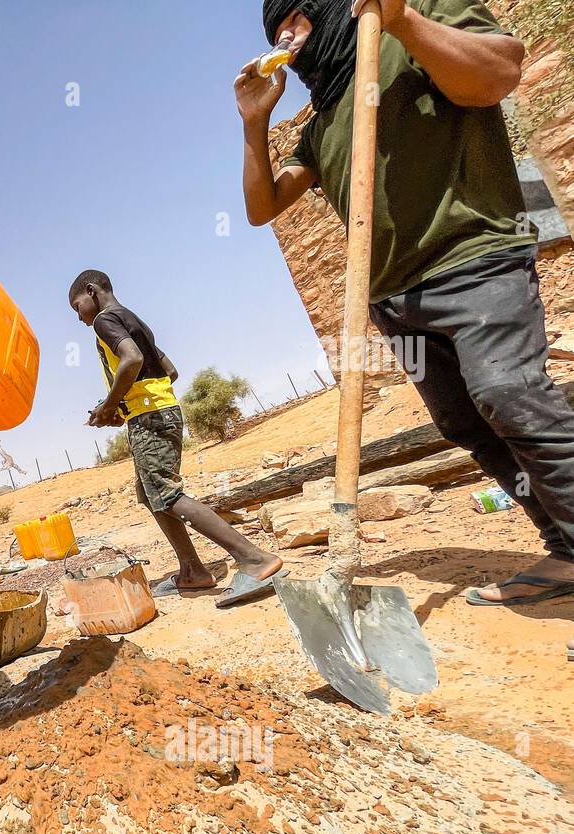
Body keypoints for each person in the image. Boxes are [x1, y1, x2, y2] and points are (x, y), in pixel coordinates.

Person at [237, 0, 574, 625]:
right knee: (467, 424)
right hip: (396, 298)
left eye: (294, 17)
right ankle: (564, 550)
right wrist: (255, 123)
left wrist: (402, 21)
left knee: (510, 395)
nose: (283, 35)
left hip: (476, 261)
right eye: (274, 28)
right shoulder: (324, 117)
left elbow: (500, 73)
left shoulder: (416, 21)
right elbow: (262, 206)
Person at [70, 270, 284, 607]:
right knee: (150, 493)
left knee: (167, 495)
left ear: (91, 290)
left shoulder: (104, 320)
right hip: (161, 410)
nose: (79, 317)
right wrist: (122, 407)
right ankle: (192, 570)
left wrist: (110, 405)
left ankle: (253, 559)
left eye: (76, 306)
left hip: (150, 418)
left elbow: (133, 359)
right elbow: (169, 371)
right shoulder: (134, 319)